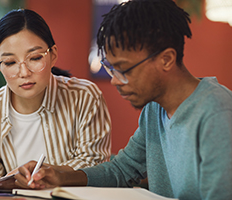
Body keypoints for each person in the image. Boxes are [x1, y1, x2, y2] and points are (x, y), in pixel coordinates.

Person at [14, 1, 232, 199]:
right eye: (110, 68)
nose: (116, 81)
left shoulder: (217, 114)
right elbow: (122, 169)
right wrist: (61, 176)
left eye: (123, 69)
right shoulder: (154, 109)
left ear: (166, 59)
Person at [0, 9, 111, 184]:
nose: (24, 72)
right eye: (10, 62)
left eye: (35, 58)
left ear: (53, 55)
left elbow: (95, 166)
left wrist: (48, 174)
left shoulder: (85, 98)